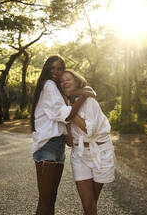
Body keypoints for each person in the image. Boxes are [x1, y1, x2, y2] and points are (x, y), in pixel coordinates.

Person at [31, 55, 94, 215]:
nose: (56, 72)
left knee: (50, 199)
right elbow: (65, 115)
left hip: (57, 147)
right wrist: (84, 96)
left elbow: (64, 123)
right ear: (46, 69)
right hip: (48, 146)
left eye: (59, 69)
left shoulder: (57, 91)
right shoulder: (49, 85)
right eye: (52, 68)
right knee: (46, 201)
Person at [60, 70, 115, 215]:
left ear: (77, 81)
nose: (64, 82)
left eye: (68, 79)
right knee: (88, 206)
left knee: (91, 205)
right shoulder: (63, 107)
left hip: (101, 152)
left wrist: (70, 113)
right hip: (79, 155)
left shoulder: (90, 101)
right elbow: (70, 143)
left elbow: (89, 130)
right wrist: (65, 117)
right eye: (61, 81)